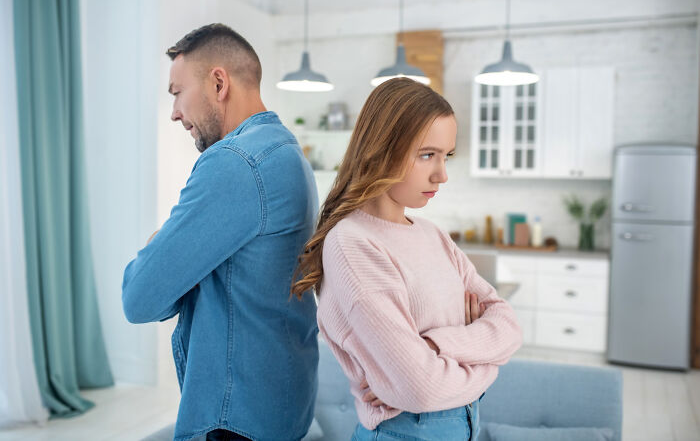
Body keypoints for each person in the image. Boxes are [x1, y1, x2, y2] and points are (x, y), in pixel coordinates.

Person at [292, 78, 523, 441]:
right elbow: (421, 388)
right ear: (382, 148)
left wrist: (435, 345)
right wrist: (484, 358)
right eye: (426, 155)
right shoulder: (353, 244)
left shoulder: (432, 234)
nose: (441, 174)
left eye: (446, 156)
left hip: (463, 424)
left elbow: (509, 327)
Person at [122, 23, 319, 441]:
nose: (174, 111)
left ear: (217, 82)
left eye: (176, 92)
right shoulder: (286, 151)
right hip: (280, 404)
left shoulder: (236, 163)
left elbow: (139, 298)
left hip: (237, 420)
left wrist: (160, 241)